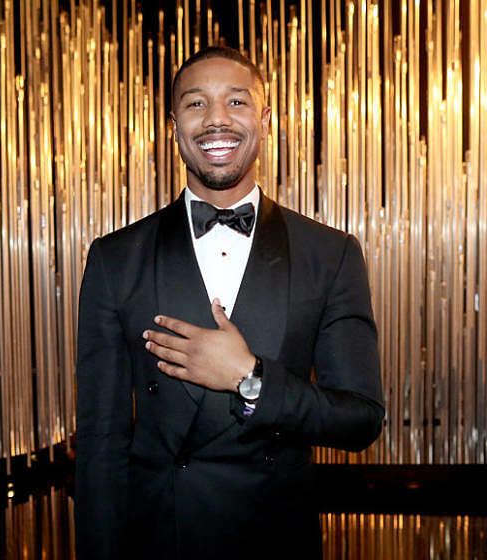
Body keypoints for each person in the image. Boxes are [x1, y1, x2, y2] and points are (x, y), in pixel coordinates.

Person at [74, 47, 385, 560]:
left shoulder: (330, 254)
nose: (216, 119)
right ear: (173, 126)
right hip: (160, 541)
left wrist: (249, 378)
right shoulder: (115, 259)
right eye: (196, 104)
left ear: (266, 120)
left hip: (276, 541)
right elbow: (100, 442)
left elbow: (361, 421)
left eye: (236, 101)